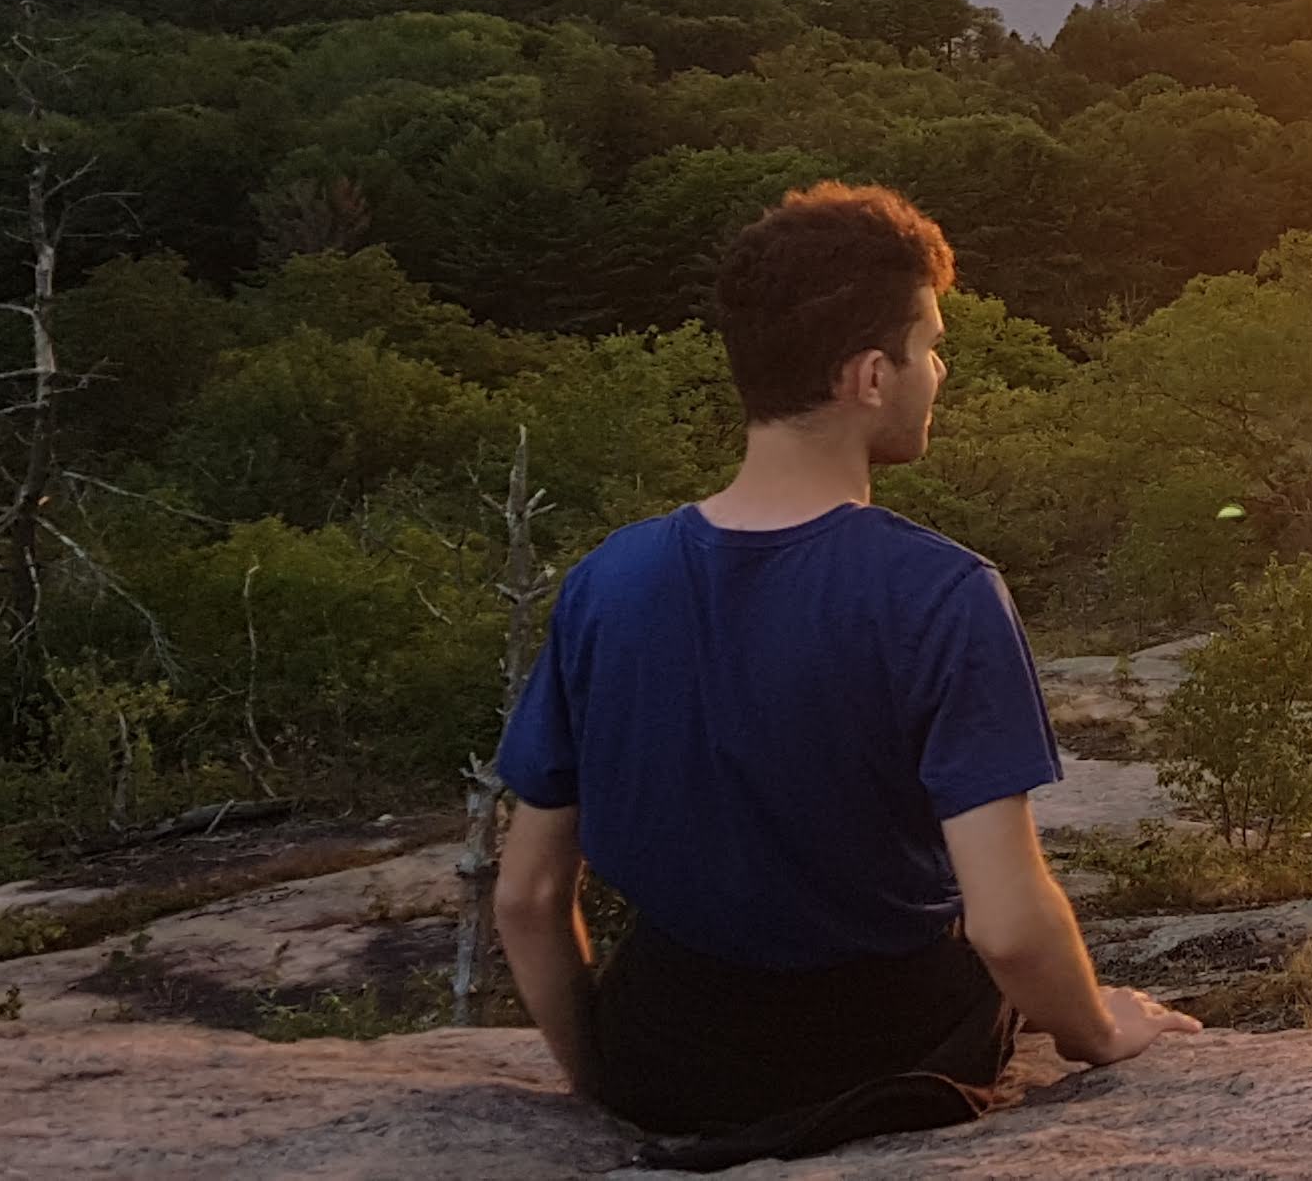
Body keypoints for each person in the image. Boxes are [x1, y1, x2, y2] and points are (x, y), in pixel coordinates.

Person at [492, 183, 1196, 1169]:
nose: (939, 371)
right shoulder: (944, 594)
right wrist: (1099, 1032)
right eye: (931, 346)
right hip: (890, 1060)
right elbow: (1006, 927)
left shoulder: (606, 582)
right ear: (871, 375)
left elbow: (527, 897)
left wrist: (605, 1083)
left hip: (669, 1053)